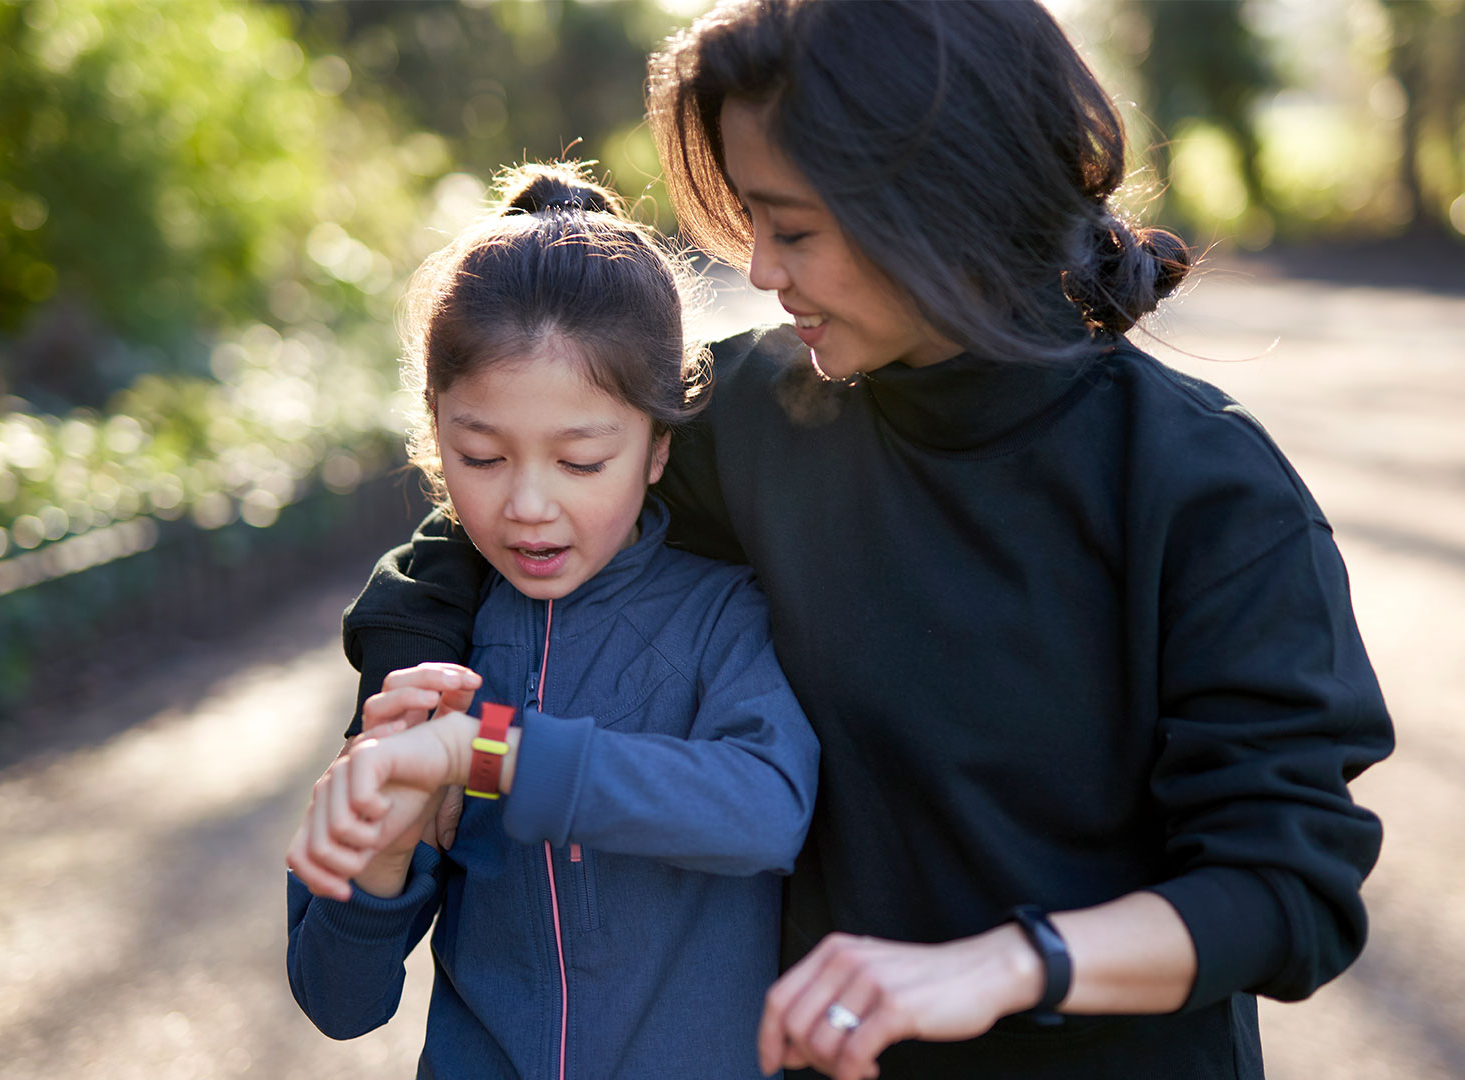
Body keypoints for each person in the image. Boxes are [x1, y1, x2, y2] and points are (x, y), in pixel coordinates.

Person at [340, 2, 1397, 1077]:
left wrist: (1005, 964)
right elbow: (483, 530)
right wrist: (405, 720)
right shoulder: (757, 415)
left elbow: (1286, 892)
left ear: (940, 203)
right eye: (750, 219)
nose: (756, 268)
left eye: (791, 228)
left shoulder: (1200, 489)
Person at [284, 162, 821, 1080]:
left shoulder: (721, 611)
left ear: (658, 447)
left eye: (580, 461)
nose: (529, 505)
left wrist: (490, 755)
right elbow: (339, 1003)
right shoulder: (437, 656)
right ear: (434, 432)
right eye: (481, 456)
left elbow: (767, 810)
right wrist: (380, 856)